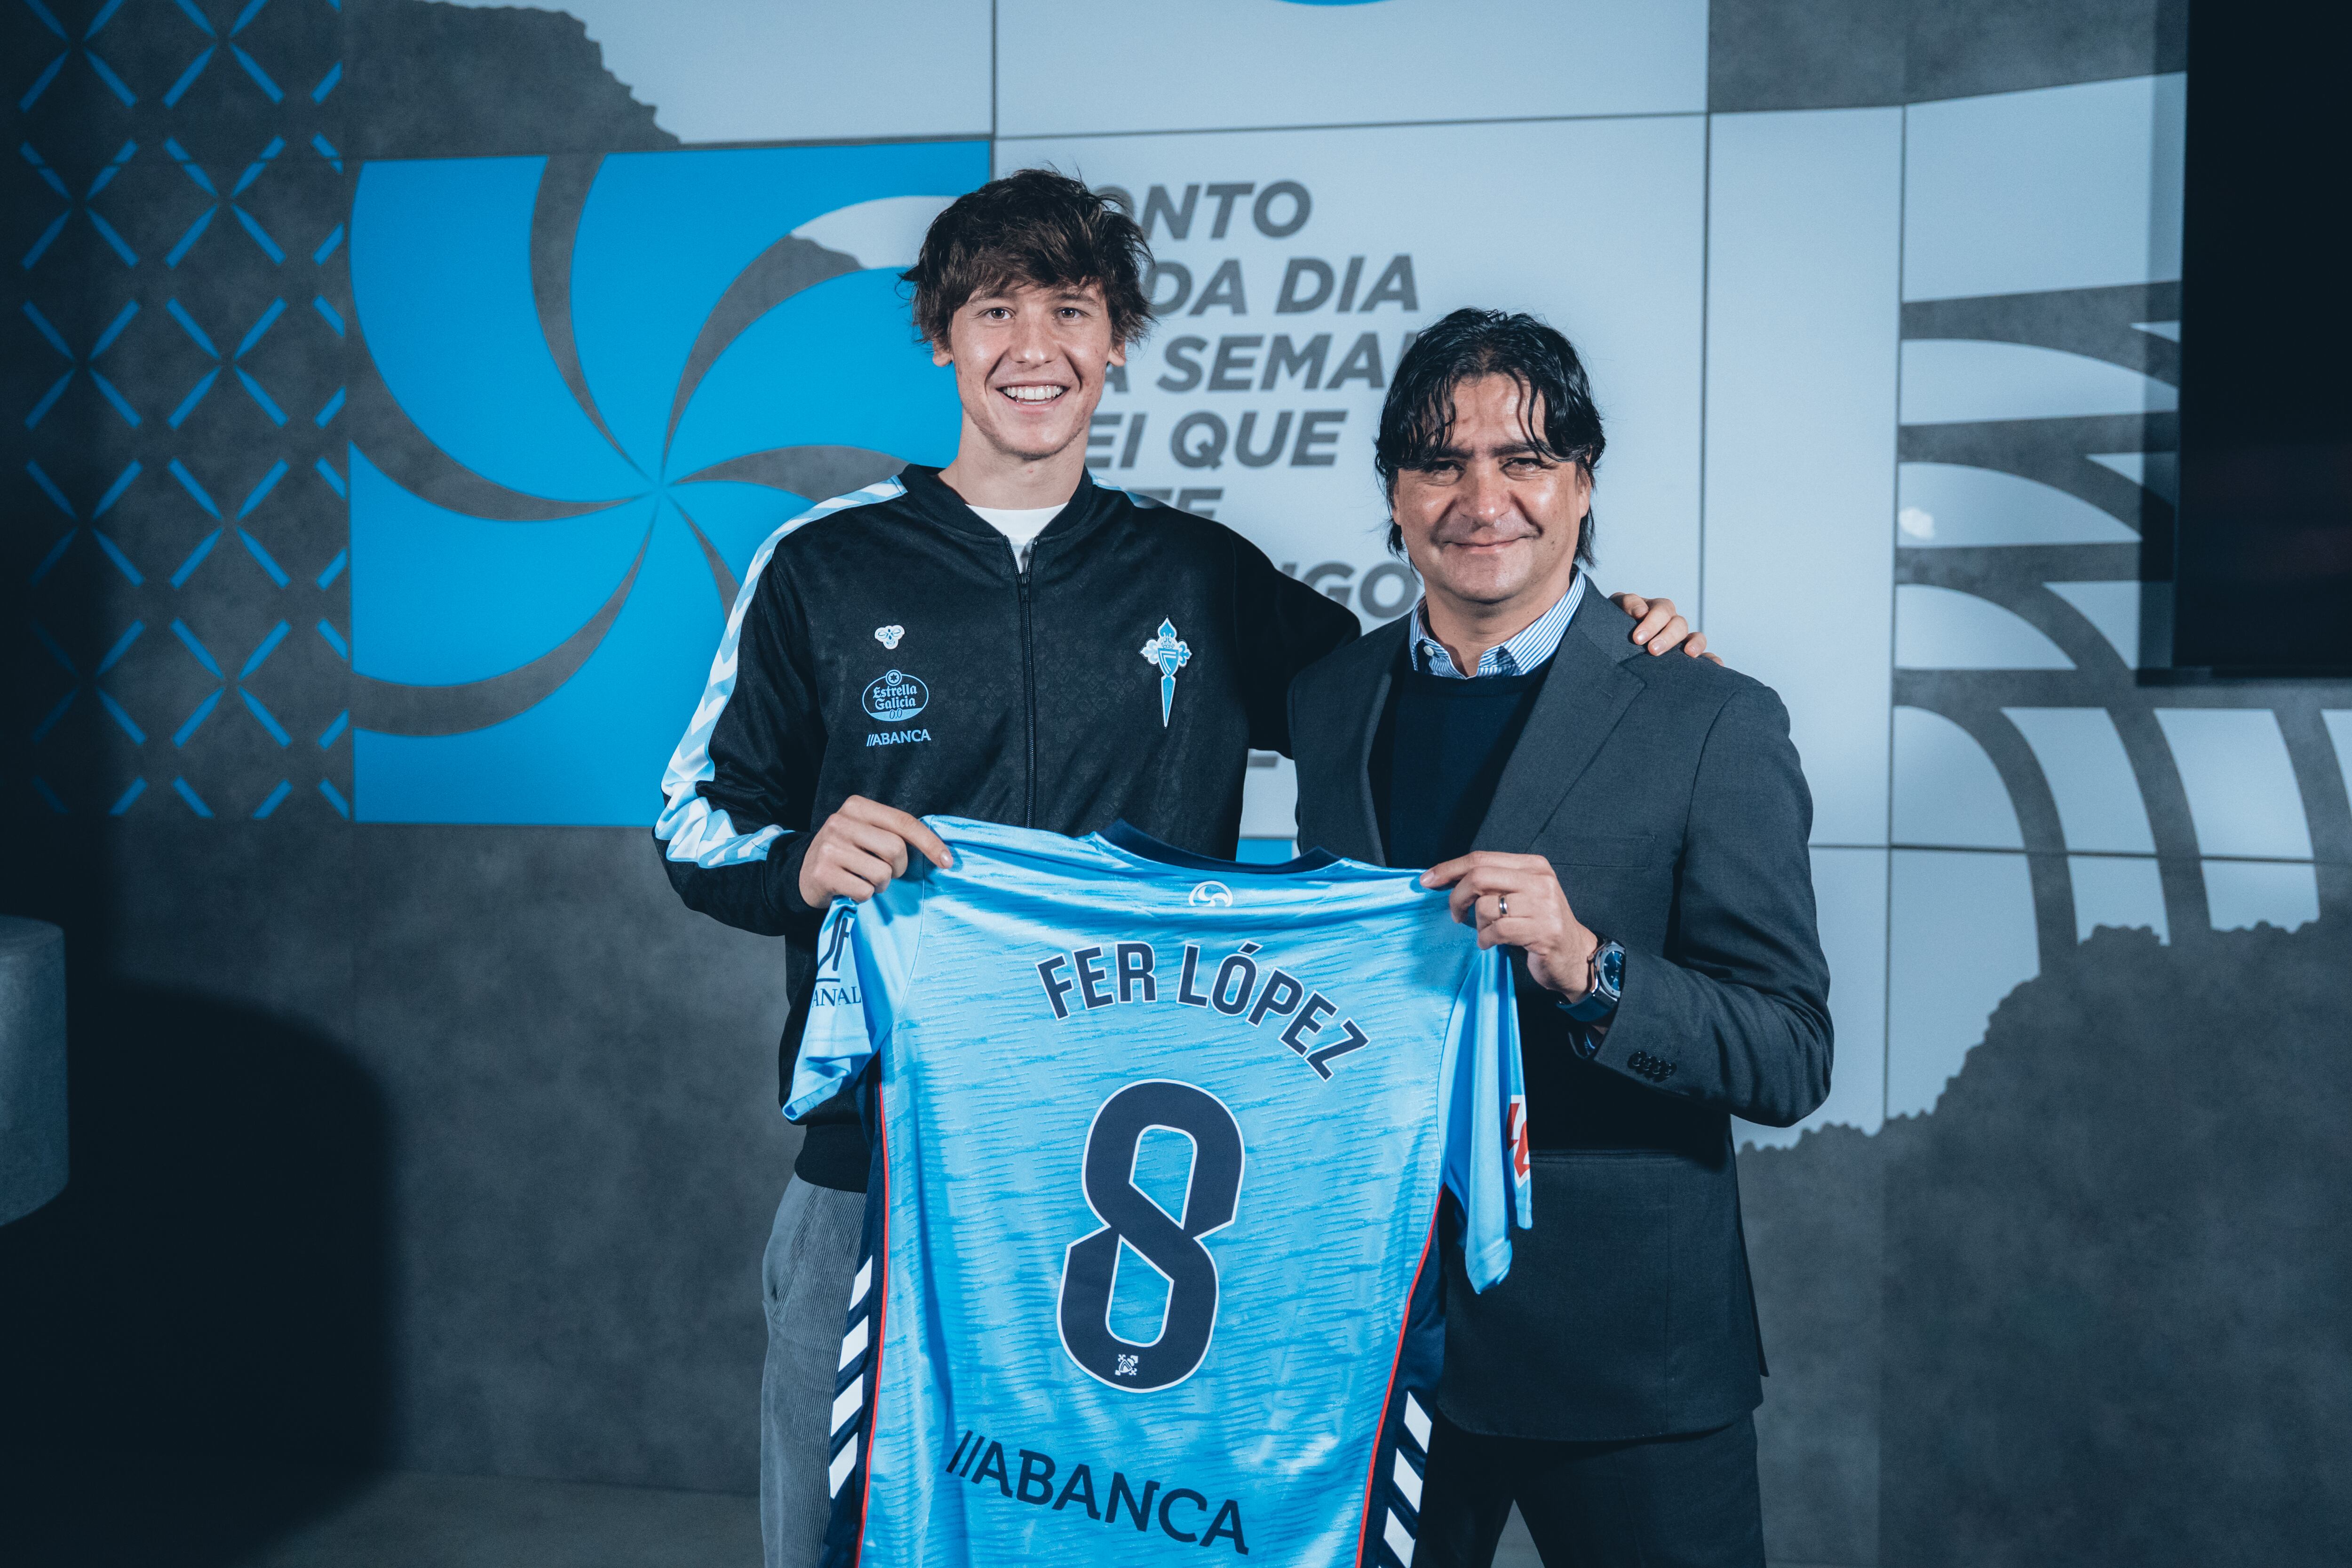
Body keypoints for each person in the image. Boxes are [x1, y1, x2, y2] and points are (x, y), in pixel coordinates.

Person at [652, 172, 1706, 1568]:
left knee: (1145, 1539)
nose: (1036, 348)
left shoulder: (1201, 577)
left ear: (1121, 340)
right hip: (886, 1161)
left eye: (1072, 310)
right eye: (996, 310)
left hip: (1154, 1169)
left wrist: (1595, 635)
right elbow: (691, 822)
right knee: (855, 1538)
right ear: (939, 339)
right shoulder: (822, 568)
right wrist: (798, 865)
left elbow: (1416, 694)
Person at [1288, 309, 1832, 1568]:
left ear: (1583, 484)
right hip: (1381, 1348)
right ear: (1395, 492)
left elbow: (1792, 1053)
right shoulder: (1330, 702)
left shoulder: (1712, 720)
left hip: (1631, 1367)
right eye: (1441, 461)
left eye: (1525, 460)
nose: (1484, 497)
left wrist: (1592, 968)